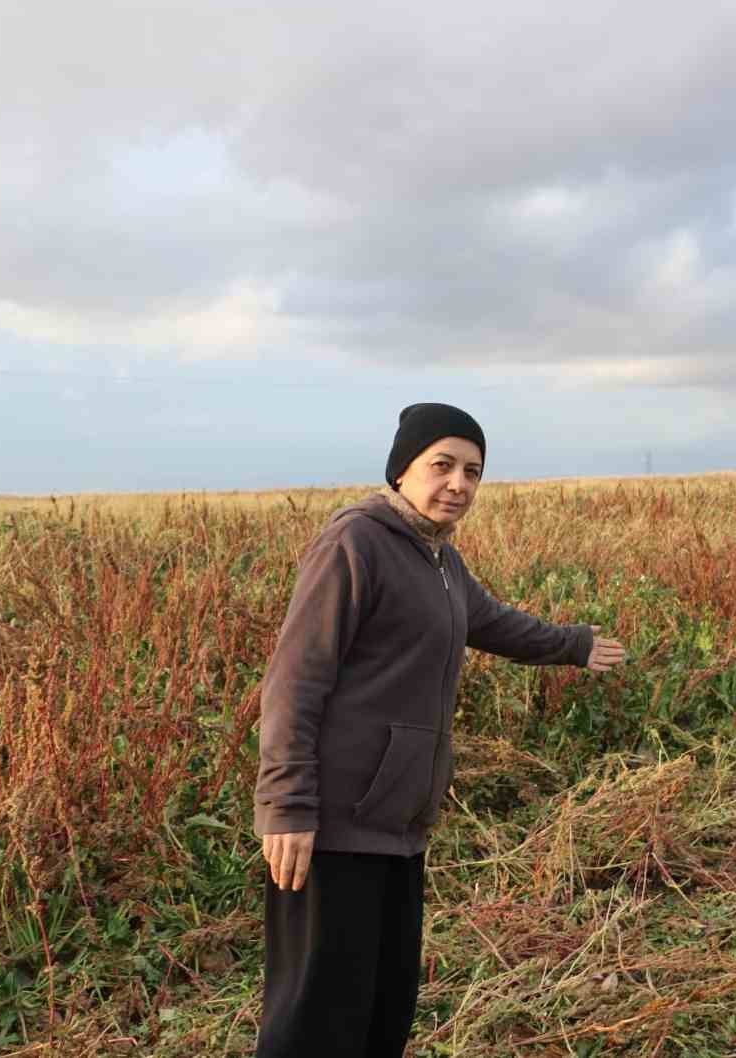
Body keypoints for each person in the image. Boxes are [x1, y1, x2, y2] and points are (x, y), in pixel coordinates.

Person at [252, 403, 626, 1057]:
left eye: (473, 472)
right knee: (317, 1018)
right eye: (443, 465)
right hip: (334, 822)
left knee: (381, 1008)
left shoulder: (440, 561)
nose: (459, 483)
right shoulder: (355, 543)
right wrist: (285, 805)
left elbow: (494, 623)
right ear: (404, 469)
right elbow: (294, 678)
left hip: (398, 823)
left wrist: (576, 644)